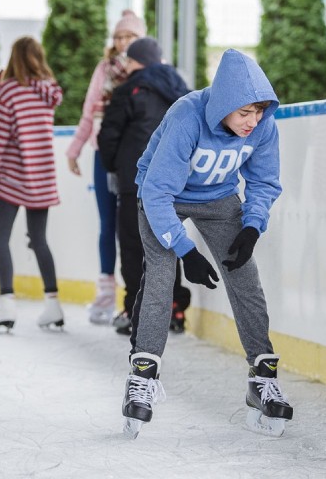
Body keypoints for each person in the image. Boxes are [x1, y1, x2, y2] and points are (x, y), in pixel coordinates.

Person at [120, 49, 293, 439]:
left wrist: (251, 227)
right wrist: (186, 251)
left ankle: (261, 376)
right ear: (224, 106)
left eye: (260, 111)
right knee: (163, 277)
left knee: (245, 277)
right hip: (161, 197)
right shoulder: (187, 116)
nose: (253, 121)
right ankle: (142, 375)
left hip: (219, 198)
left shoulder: (264, 125)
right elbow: (157, 191)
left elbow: (265, 181)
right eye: (244, 112)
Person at [97, 37, 192, 335]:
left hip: (134, 180)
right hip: (172, 181)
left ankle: (133, 310)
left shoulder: (127, 89)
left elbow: (108, 135)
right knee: (168, 240)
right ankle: (174, 309)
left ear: (136, 61)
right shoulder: (181, 90)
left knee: (133, 244)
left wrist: (114, 167)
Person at [0, 36, 64, 332]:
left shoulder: (10, 92)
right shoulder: (48, 92)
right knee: (39, 241)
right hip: (41, 179)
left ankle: (6, 305)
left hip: (11, 179)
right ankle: (53, 305)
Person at [65, 9, 146, 325]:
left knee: (133, 228)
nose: (123, 42)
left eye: (129, 36)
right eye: (119, 36)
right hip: (104, 154)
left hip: (138, 156)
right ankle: (105, 293)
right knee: (107, 224)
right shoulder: (104, 69)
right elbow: (89, 113)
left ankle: (137, 296)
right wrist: (74, 150)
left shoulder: (152, 68)